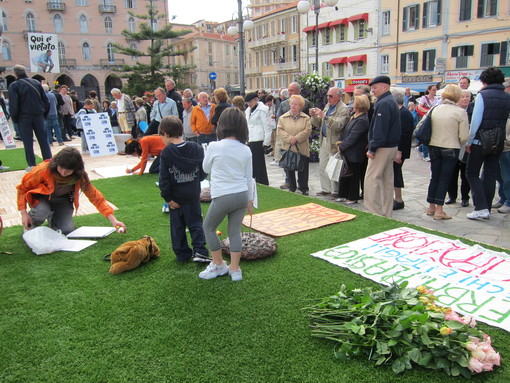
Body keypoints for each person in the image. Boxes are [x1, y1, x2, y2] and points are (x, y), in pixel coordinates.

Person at [17, 147, 126, 235]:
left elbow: (96, 197)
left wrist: (113, 220)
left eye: (68, 170)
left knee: (66, 229)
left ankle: (53, 219)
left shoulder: (80, 176)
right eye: (61, 168)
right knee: (42, 211)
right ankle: (30, 225)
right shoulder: (43, 170)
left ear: (76, 170)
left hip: (62, 200)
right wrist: (23, 213)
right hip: (42, 198)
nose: (63, 173)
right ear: (56, 164)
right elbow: (22, 188)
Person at [199, 107, 253, 281]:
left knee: (208, 227)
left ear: (221, 125)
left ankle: (218, 264)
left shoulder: (214, 146)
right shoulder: (246, 149)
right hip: (242, 195)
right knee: (235, 231)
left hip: (223, 196)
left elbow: (205, 168)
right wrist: (250, 200)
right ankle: (235, 269)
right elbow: (249, 177)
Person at [158, 116, 210, 263]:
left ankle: (182, 254)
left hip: (175, 197)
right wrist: (195, 180)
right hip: (193, 193)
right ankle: (200, 251)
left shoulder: (167, 152)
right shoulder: (196, 148)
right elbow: (203, 170)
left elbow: (164, 178)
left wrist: (167, 198)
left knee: (177, 226)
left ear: (166, 134)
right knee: (196, 223)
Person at [417, 84, 469, 220]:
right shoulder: (460, 112)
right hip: (451, 148)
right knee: (444, 178)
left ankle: (431, 207)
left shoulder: (435, 109)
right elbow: (464, 137)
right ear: (457, 96)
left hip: (433, 146)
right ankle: (439, 210)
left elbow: (420, 126)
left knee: (435, 176)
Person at [465, 67, 510, 220]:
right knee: (489, 174)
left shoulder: (482, 95)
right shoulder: (506, 96)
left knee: (471, 172)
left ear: (484, 81)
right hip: (498, 140)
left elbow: (476, 120)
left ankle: (481, 207)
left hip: (480, 140)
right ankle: (487, 207)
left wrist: (469, 141)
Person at [364, 75, 401, 218]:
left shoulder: (384, 103)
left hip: (382, 147)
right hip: (390, 146)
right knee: (387, 180)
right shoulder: (389, 100)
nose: (372, 90)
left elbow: (380, 129)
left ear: (384, 87)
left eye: (375, 87)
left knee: (372, 179)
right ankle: (386, 213)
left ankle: (374, 212)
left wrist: (372, 148)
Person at [8, 65, 51, 171]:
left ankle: (32, 164)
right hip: (38, 115)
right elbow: (46, 101)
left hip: (24, 116)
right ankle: (48, 162)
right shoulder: (36, 83)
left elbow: (14, 104)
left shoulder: (14, 85)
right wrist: (43, 115)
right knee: (43, 140)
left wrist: (14, 118)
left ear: (15, 74)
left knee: (28, 141)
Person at [310, 86, 350, 198]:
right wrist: (314, 117)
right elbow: (321, 124)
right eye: (327, 95)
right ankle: (325, 188)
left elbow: (338, 126)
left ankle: (335, 191)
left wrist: (325, 116)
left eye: (331, 96)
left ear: (339, 96)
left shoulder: (343, 108)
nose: (328, 98)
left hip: (334, 141)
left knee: (334, 166)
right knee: (323, 165)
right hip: (324, 140)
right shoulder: (328, 106)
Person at [335, 95, 370, 204]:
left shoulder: (362, 119)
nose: (352, 104)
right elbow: (346, 132)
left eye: (354, 102)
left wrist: (342, 146)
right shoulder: (354, 116)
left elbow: (353, 136)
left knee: (354, 175)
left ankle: (353, 196)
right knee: (345, 173)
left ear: (359, 105)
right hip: (348, 151)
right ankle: (343, 194)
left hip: (355, 152)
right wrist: (341, 143)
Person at [277, 94, 312, 195]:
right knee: (289, 169)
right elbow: (280, 130)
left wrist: (297, 138)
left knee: (303, 170)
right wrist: (289, 138)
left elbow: (308, 130)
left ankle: (304, 188)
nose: (293, 106)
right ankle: (291, 187)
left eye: (296, 104)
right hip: (288, 148)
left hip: (301, 148)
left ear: (300, 106)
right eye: (292, 104)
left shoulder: (306, 118)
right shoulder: (283, 118)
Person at [446, 89, 473, 207]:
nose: (465, 98)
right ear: (457, 98)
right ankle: (452, 196)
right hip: (453, 145)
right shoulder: (453, 111)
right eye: (463, 96)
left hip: (467, 146)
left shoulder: (473, 111)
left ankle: (465, 197)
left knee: (465, 173)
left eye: (467, 96)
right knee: (452, 172)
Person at [392, 90, 415, 210]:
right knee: (394, 173)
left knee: (396, 173)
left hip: (399, 150)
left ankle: (399, 199)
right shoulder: (400, 112)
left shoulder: (404, 114)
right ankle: (396, 198)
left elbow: (404, 134)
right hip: (397, 149)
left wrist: (399, 151)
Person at [244, 92, 272, 185]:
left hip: (259, 139)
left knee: (259, 164)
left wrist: (266, 143)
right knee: (251, 163)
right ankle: (253, 181)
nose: (249, 104)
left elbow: (267, 127)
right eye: (247, 102)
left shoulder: (262, 110)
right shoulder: (248, 110)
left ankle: (262, 182)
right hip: (251, 139)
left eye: (250, 102)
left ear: (256, 100)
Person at [494, 77, 510, 214]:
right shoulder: (504, 103)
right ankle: (503, 197)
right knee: (499, 175)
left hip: (507, 145)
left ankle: (508, 201)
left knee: (507, 175)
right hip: (500, 144)